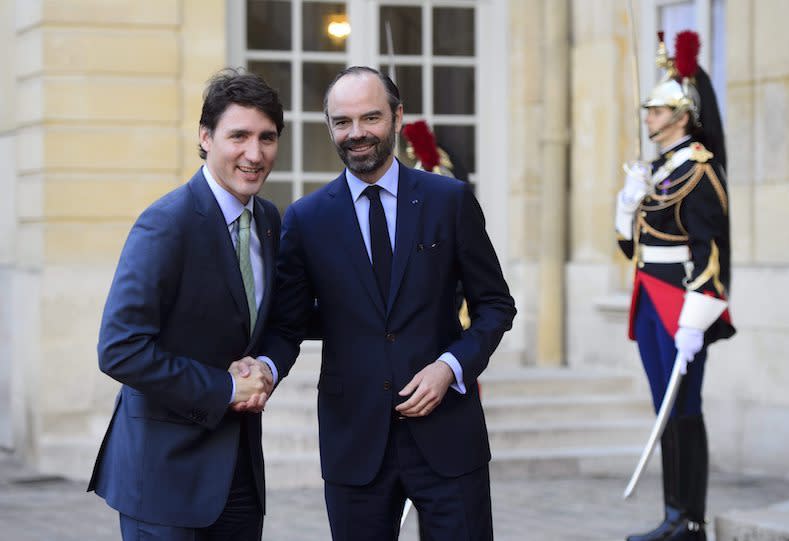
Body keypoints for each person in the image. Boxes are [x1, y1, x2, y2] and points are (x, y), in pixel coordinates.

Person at [262, 66, 516, 540]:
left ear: (397, 117)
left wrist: (452, 367)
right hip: (354, 441)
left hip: (448, 436)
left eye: (370, 118)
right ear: (330, 127)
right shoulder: (306, 219)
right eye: (342, 121)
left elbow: (496, 305)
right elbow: (288, 324)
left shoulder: (450, 200)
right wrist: (263, 369)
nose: (356, 133)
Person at [88, 69, 284, 540]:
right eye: (238, 136)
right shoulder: (166, 223)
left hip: (238, 474)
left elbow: (271, 321)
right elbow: (120, 348)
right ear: (205, 136)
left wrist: (267, 369)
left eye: (267, 138)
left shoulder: (270, 220)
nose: (254, 154)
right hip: (162, 477)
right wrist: (222, 388)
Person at [615, 31, 735, 541]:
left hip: (681, 305)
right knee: (664, 407)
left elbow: (712, 254)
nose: (649, 118)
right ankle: (672, 514)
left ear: (682, 115)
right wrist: (627, 204)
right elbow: (631, 247)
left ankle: (690, 519)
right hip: (649, 294)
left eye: (657, 111)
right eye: (648, 111)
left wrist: (697, 316)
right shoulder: (659, 170)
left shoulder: (699, 171)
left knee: (684, 409)